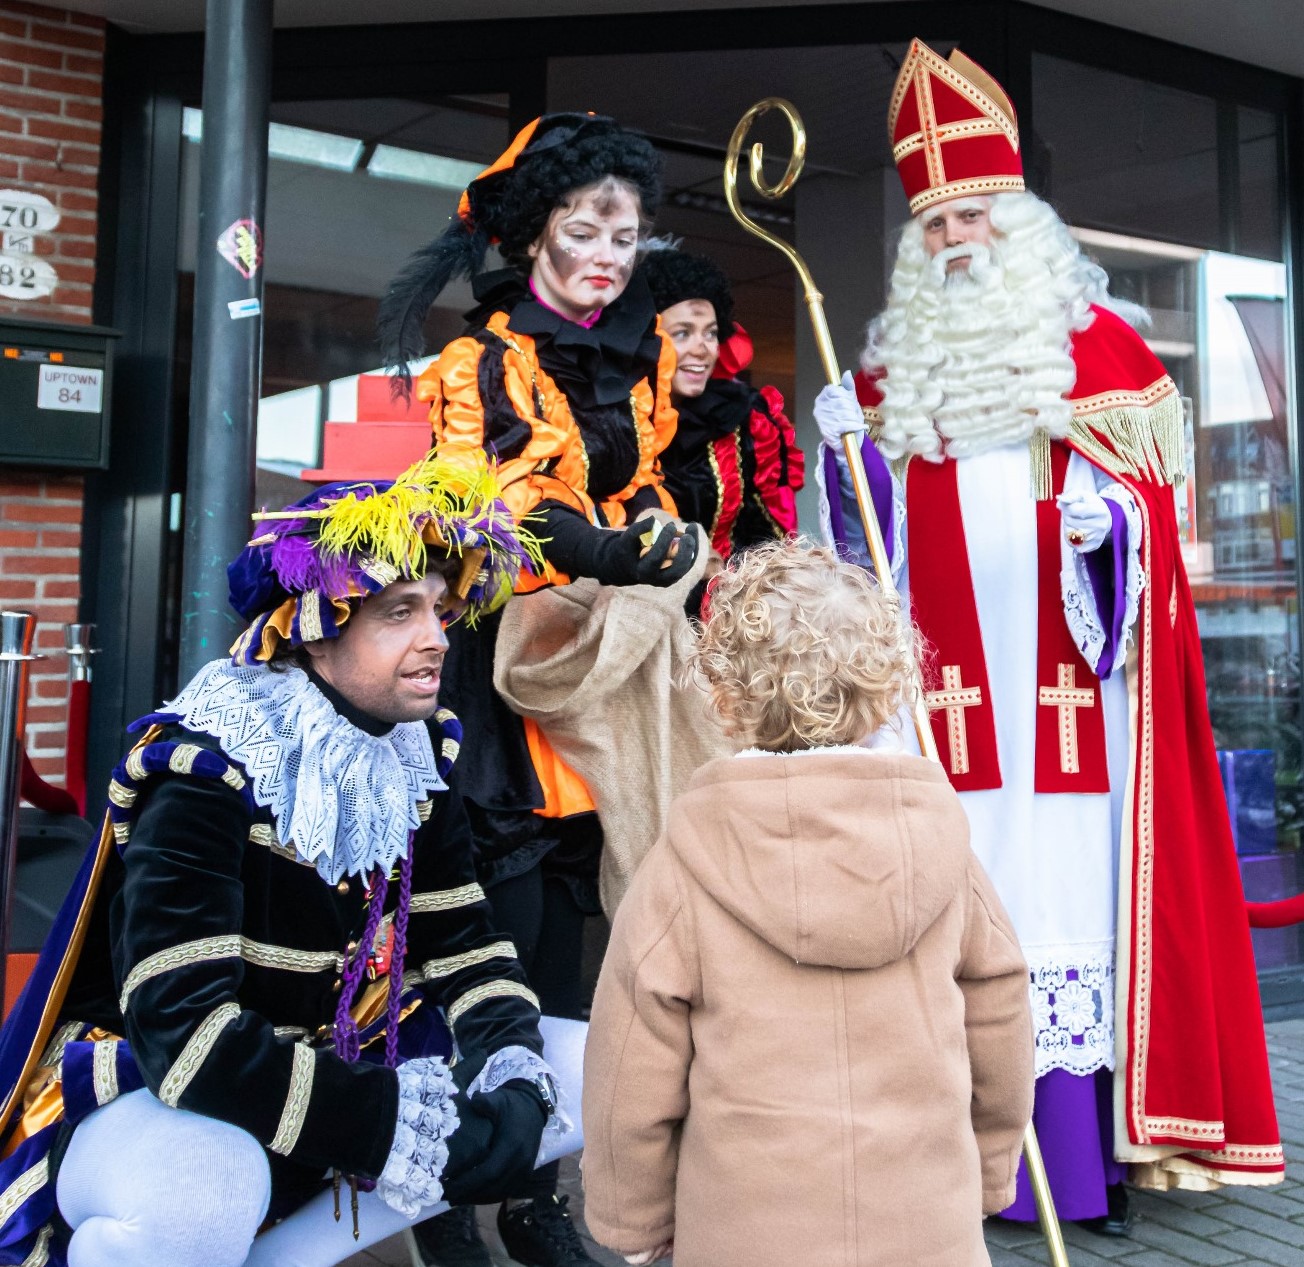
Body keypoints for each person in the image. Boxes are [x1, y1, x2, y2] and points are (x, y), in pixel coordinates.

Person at [815, 38, 1283, 1231]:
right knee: (955, 909)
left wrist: (1105, 524)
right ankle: (953, 1163)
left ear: (1017, 221)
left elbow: (1151, 529)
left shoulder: (1108, 355)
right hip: (940, 705)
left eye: (972, 212)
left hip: (1074, 697)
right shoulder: (883, 384)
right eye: (931, 223)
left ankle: (1074, 1163)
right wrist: (842, 458)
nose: (954, 238)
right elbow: (861, 564)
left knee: (1062, 914)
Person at [0, 456, 588, 1267]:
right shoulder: (205, 768)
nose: (435, 640)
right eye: (398, 611)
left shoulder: (417, 751)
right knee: (207, 1189)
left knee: (586, 1065)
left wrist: (512, 1071)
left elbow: (464, 943)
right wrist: (389, 1125)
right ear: (317, 628)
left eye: (441, 611)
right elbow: (186, 1033)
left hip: (336, 1050)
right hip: (161, 1080)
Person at [379, 113, 698, 1267]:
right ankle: (450, 1207)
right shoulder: (480, 363)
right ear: (535, 238)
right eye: (586, 228)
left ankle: (534, 1195)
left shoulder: (643, 353)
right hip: (499, 676)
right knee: (482, 949)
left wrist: (653, 534)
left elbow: (645, 474)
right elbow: (493, 504)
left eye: (626, 230)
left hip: (597, 678)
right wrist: (597, 548)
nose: (612, 251)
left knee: (577, 953)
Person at [581, 539, 1035, 1266]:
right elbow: (1002, 1015)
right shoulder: (946, 850)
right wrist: (986, 1169)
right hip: (925, 1223)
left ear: (724, 692)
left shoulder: (686, 867)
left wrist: (631, 1219)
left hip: (747, 1232)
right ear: (888, 683)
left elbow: (630, 1067)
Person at [639, 244, 805, 565]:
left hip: (719, 604)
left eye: (711, 333)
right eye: (683, 333)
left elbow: (767, 539)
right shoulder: (615, 418)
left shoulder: (742, 421)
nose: (702, 349)